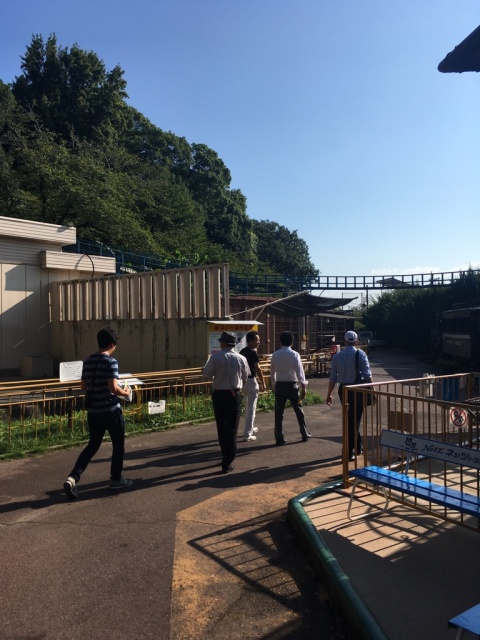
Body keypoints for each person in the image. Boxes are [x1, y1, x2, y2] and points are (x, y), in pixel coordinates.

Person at [63, 328, 133, 499]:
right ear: (111, 344)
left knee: (92, 446)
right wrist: (125, 392)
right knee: (118, 445)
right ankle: (116, 479)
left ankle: (73, 477)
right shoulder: (111, 362)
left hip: (94, 412)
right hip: (111, 411)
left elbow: (83, 386)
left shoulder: (88, 361)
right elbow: (113, 388)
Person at [203, 331, 250, 473]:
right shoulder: (241, 358)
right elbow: (245, 377)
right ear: (234, 344)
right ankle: (228, 460)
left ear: (223, 343)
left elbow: (207, 374)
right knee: (232, 428)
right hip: (234, 394)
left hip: (219, 394)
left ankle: (225, 455)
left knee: (222, 427)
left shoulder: (215, 357)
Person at [326, 330, 373, 460]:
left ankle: (357, 446)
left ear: (344, 341)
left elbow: (333, 377)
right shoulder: (361, 354)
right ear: (356, 341)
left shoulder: (337, 356)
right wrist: (372, 390)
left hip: (343, 390)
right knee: (354, 420)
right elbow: (368, 375)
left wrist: (329, 394)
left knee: (350, 419)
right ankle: (348, 451)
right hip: (358, 389)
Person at [270, 331, 311, 445]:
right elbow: (300, 372)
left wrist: (274, 385)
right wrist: (303, 387)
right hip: (292, 386)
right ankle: (304, 433)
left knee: (279, 413)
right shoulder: (294, 354)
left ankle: (279, 437)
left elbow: (272, 372)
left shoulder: (275, 354)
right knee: (298, 410)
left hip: (279, 385)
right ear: (292, 342)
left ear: (280, 341)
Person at [240, 331, 266, 442]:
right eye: (257, 340)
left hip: (243, 382)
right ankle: (247, 434)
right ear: (250, 341)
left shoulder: (242, 351)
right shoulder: (253, 352)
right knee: (252, 408)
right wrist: (263, 383)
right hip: (251, 381)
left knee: (247, 406)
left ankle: (250, 427)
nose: (259, 342)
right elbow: (258, 368)